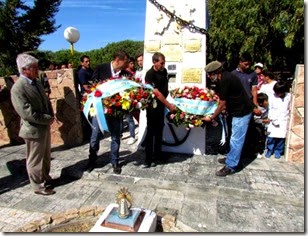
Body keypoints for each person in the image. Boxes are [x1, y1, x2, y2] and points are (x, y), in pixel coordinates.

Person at [10, 53, 55, 195]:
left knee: (46, 156)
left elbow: (46, 101)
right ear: (24, 70)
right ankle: (38, 186)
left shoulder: (36, 82)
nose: (38, 70)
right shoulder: (18, 88)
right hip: (33, 129)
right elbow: (27, 113)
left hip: (44, 127)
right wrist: (47, 119)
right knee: (35, 160)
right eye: (34, 68)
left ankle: (46, 178)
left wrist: (51, 115)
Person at [203, 61, 254, 176]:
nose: (209, 77)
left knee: (236, 140)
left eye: (210, 74)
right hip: (236, 111)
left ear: (217, 72)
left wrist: (212, 117)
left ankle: (231, 166)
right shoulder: (224, 78)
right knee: (233, 138)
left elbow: (221, 104)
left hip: (242, 112)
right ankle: (232, 158)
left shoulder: (226, 80)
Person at [86, 49, 129, 174]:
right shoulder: (100, 68)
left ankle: (115, 162)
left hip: (116, 112)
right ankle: (92, 161)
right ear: (117, 60)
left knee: (116, 137)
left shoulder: (125, 74)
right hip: (99, 111)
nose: (126, 64)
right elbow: (93, 87)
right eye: (124, 62)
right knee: (94, 137)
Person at [143, 52, 176, 168]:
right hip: (152, 108)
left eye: (164, 63)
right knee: (151, 132)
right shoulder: (149, 75)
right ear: (154, 62)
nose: (163, 65)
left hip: (161, 106)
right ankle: (148, 159)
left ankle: (157, 156)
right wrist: (169, 105)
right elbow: (156, 93)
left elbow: (165, 88)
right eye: (161, 63)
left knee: (159, 131)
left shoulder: (164, 71)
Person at [265, 80, 291, 159]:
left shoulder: (289, 97)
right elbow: (270, 108)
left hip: (283, 120)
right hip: (273, 119)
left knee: (281, 138)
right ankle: (270, 150)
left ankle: (278, 150)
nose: (277, 94)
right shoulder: (272, 97)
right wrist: (272, 118)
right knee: (271, 137)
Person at [123, 57, 137, 145]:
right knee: (121, 118)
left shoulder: (133, 73)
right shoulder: (123, 72)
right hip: (122, 98)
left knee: (130, 118)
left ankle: (132, 136)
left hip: (130, 97)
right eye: (131, 63)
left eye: (133, 63)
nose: (133, 65)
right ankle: (120, 134)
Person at [254, 93, 270, 158]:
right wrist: (263, 121)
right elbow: (255, 119)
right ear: (260, 103)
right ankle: (255, 152)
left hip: (263, 126)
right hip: (257, 127)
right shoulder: (257, 109)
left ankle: (260, 150)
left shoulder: (266, 107)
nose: (267, 102)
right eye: (266, 101)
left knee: (262, 139)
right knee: (257, 139)